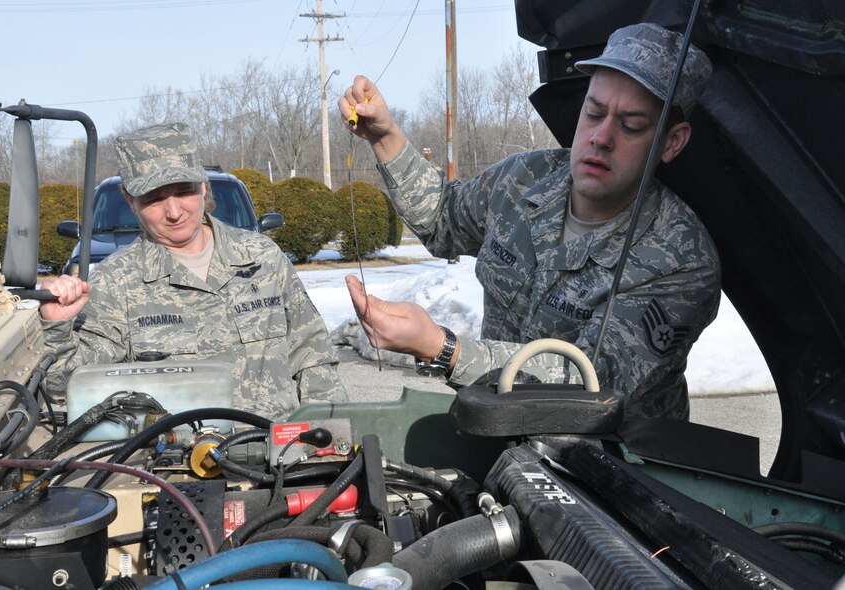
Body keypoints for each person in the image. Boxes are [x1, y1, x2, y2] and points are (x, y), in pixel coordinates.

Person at [338, 23, 721, 420]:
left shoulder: (681, 259)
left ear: (672, 141)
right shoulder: (523, 180)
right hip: (505, 444)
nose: (601, 137)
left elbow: (589, 383)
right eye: (594, 112)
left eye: (631, 126)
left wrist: (443, 348)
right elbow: (443, 216)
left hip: (614, 467)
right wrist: (385, 137)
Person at [39, 122, 347, 420]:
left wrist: (326, 434)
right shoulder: (116, 281)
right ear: (130, 201)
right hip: (174, 465)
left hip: (278, 452)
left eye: (183, 191)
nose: (173, 212)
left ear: (203, 186)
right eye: (154, 198)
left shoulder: (261, 258)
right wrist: (57, 330)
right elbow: (68, 390)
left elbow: (313, 352)